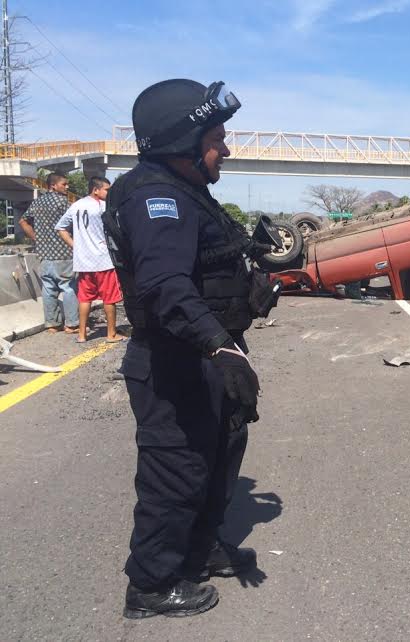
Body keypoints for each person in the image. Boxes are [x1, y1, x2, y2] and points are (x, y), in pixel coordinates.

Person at [104, 79, 277, 619]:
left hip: (209, 357)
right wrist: (220, 348)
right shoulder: (153, 196)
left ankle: (199, 552)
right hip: (177, 363)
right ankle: (151, 584)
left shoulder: (187, 191)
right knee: (175, 473)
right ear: (183, 141)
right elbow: (164, 287)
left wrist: (252, 285)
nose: (224, 148)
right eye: (217, 138)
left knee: (218, 459)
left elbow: (207, 265)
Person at [56, 177, 124, 344]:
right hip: (103, 260)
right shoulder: (102, 207)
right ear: (96, 190)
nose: (108, 193)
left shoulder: (76, 205)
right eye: (106, 190)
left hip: (83, 262)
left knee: (85, 298)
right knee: (109, 298)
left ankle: (81, 335)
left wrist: (75, 246)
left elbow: (60, 228)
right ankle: (111, 334)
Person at [18, 173, 80, 334]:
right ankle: (72, 324)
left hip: (44, 254)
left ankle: (52, 324)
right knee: (68, 287)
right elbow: (75, 224)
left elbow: (22, 221)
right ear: (53, 185)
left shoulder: (37, 202)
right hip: (64, 253)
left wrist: (36, 238)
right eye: (64, 184)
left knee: (48, 289)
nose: (67, 187)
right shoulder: (63, 203)